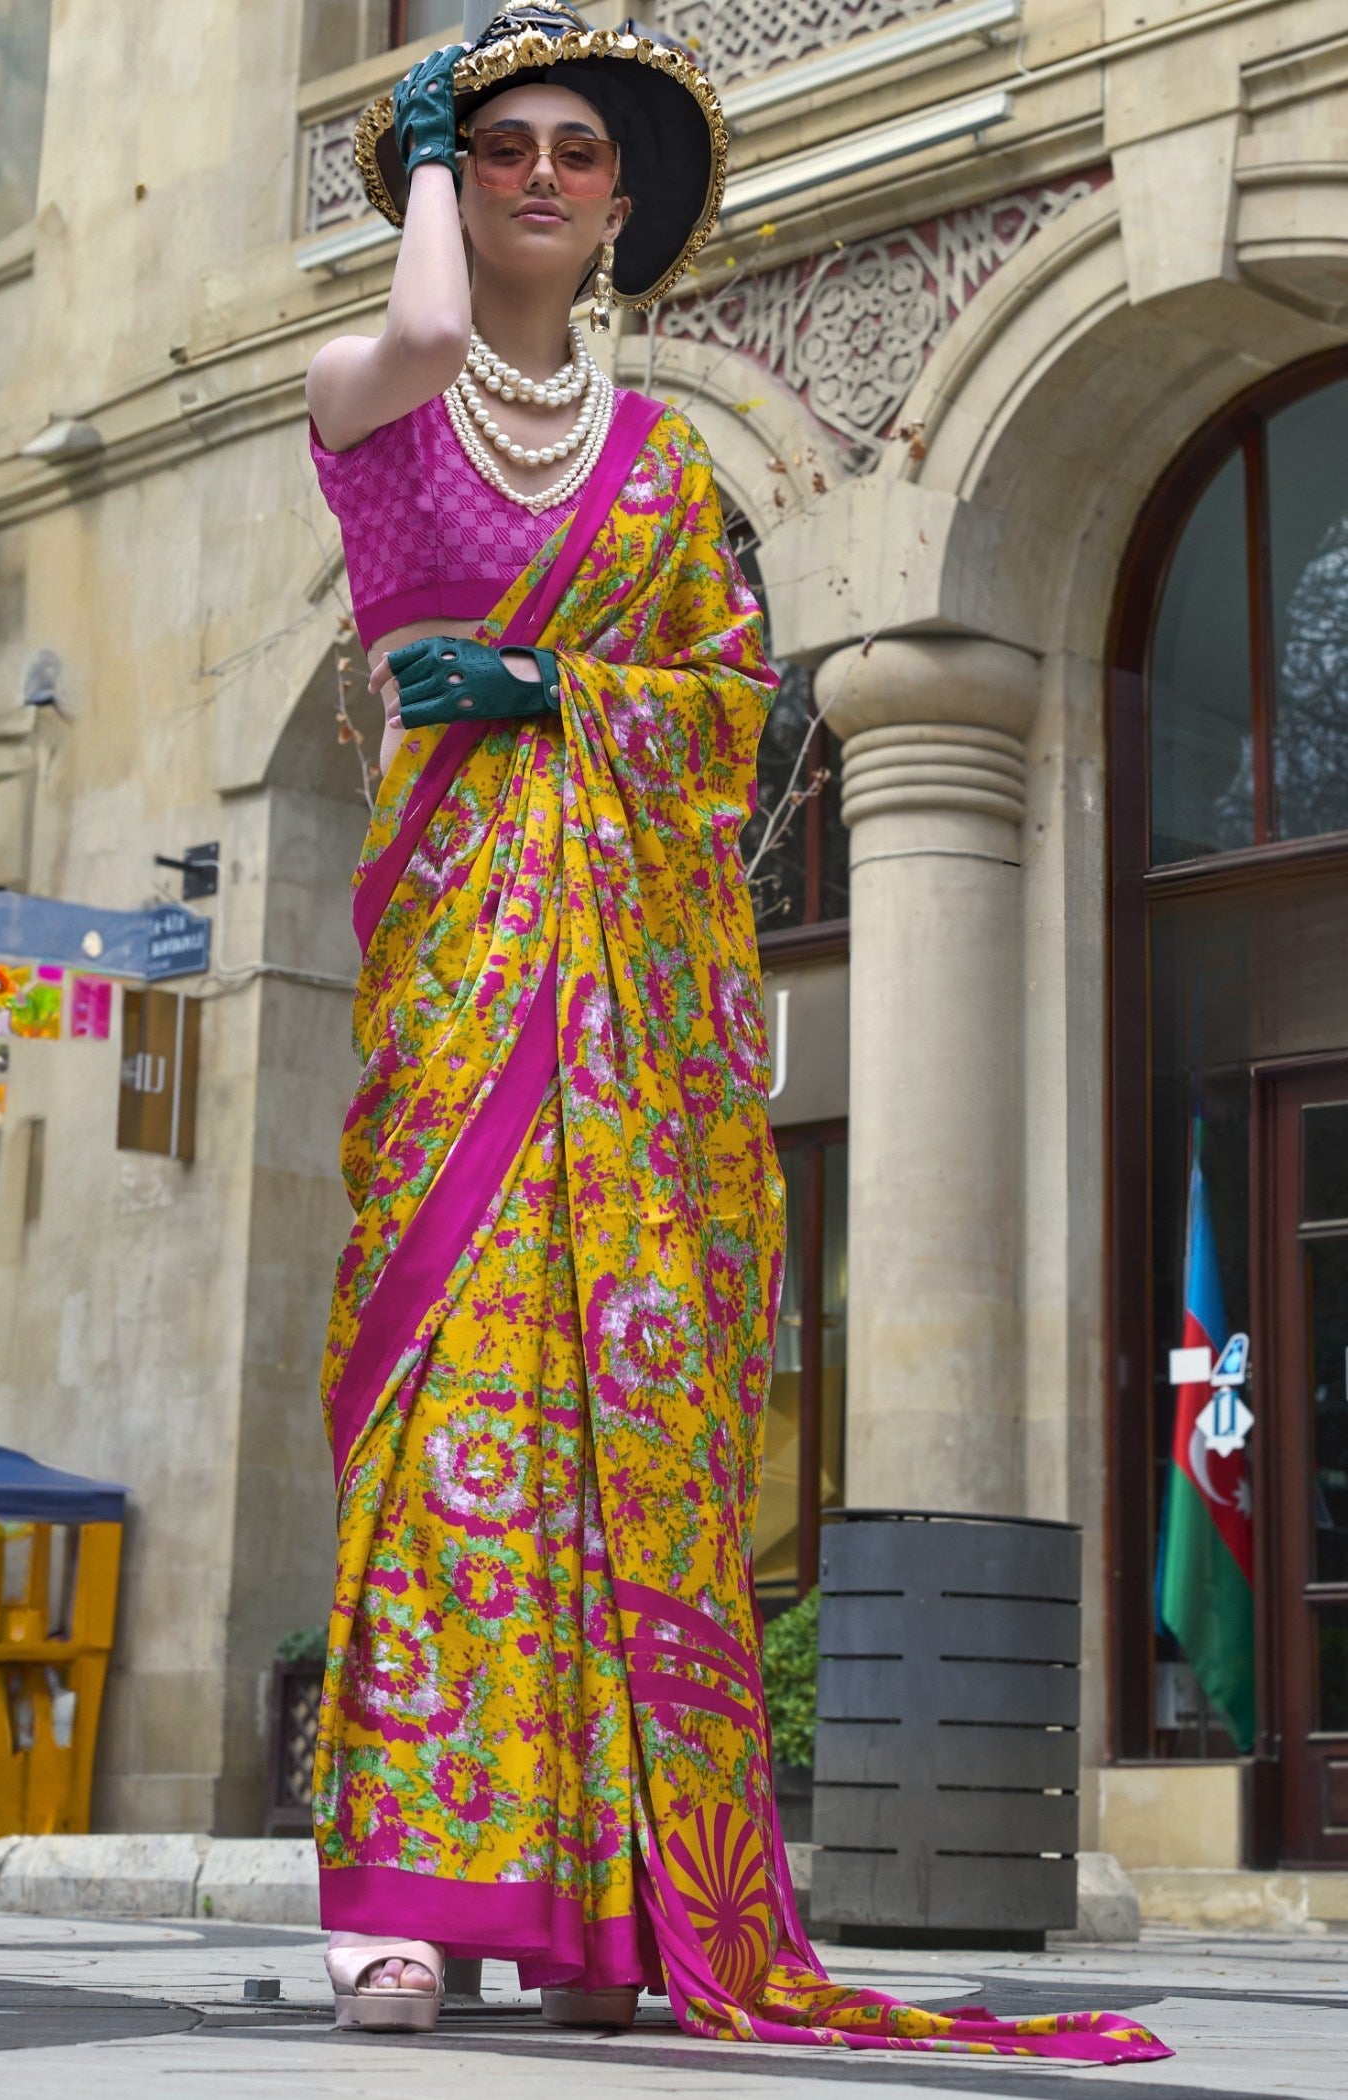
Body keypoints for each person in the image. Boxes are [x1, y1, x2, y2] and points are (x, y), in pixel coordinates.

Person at [305, 3, 1170, 2064]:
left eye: (573, 155)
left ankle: (597, 1893)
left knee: (623, 1443)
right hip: (457, 980)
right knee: (448, 1412)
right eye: (499, 142)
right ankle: (408, 1903)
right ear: (448, 172)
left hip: (625, 1016)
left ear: (620, 208)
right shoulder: (371, 391)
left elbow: (727, 711)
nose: (535, 173)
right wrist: (415, 144)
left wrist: (562, 698)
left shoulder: (670, 468)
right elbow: (426, 346)